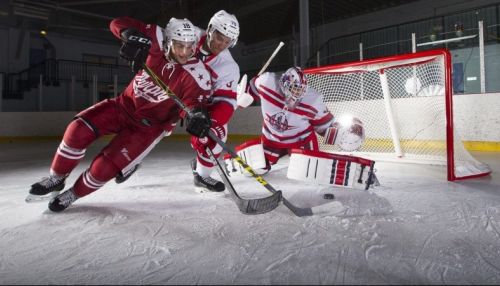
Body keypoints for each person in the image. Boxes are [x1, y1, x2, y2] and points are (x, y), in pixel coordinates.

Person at [26, 16, 213, 212]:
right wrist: (131, 36)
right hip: (122, 106)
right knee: (77, 130)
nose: (185, 52)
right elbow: (117, 23)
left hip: (147, 129)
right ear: (167, 41)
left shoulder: (197, 73)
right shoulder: (156, 37)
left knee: (104, 168)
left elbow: (192, 104)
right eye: (179, 46)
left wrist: (196, 115)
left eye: (189, 46)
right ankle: (57, 178)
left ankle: (74, 193)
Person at [117, 10, 241, 193]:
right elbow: (146, 33)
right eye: (218, 37)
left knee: (219, 132)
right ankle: (133, 160)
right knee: (159, 129)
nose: (221, 44)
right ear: (210, 29)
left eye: (227, 41)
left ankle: (202, 175)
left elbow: (226, 102)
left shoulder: (228, 66)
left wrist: (210, 122)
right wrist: (133, 37)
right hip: (167, 87)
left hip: (198, 103)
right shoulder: (187, 33)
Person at [236, 66, 365, 170]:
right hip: (271, 138)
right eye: (295, 88)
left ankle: (306, 158)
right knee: (256, 169)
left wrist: (339, 134)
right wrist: (242, 96)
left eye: (302, 89)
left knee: (310, 170)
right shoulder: (266, 81)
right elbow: (251, 88)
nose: (298, 94)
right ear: (284, 83)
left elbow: (323, 125)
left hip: (301, 140)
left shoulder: (313, 100)